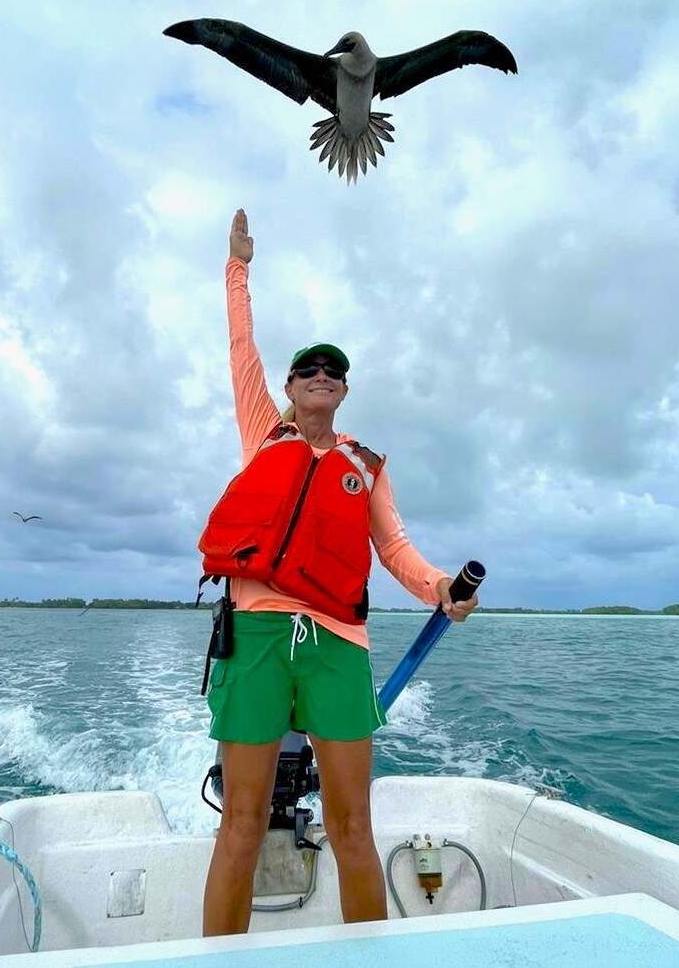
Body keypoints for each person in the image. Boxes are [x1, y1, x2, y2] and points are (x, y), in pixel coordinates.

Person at [199, 208, 478, 936]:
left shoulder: (366, 465)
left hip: (337, 645)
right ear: (290, 387)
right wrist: (238, 266)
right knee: (241, 821)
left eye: (334, 372)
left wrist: (439, 587)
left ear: (345, 392)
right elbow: (240, 345)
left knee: (353, 824)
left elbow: (396, 548)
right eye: (308, 370)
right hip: (257, 638)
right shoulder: (264, 432)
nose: (321, 376)